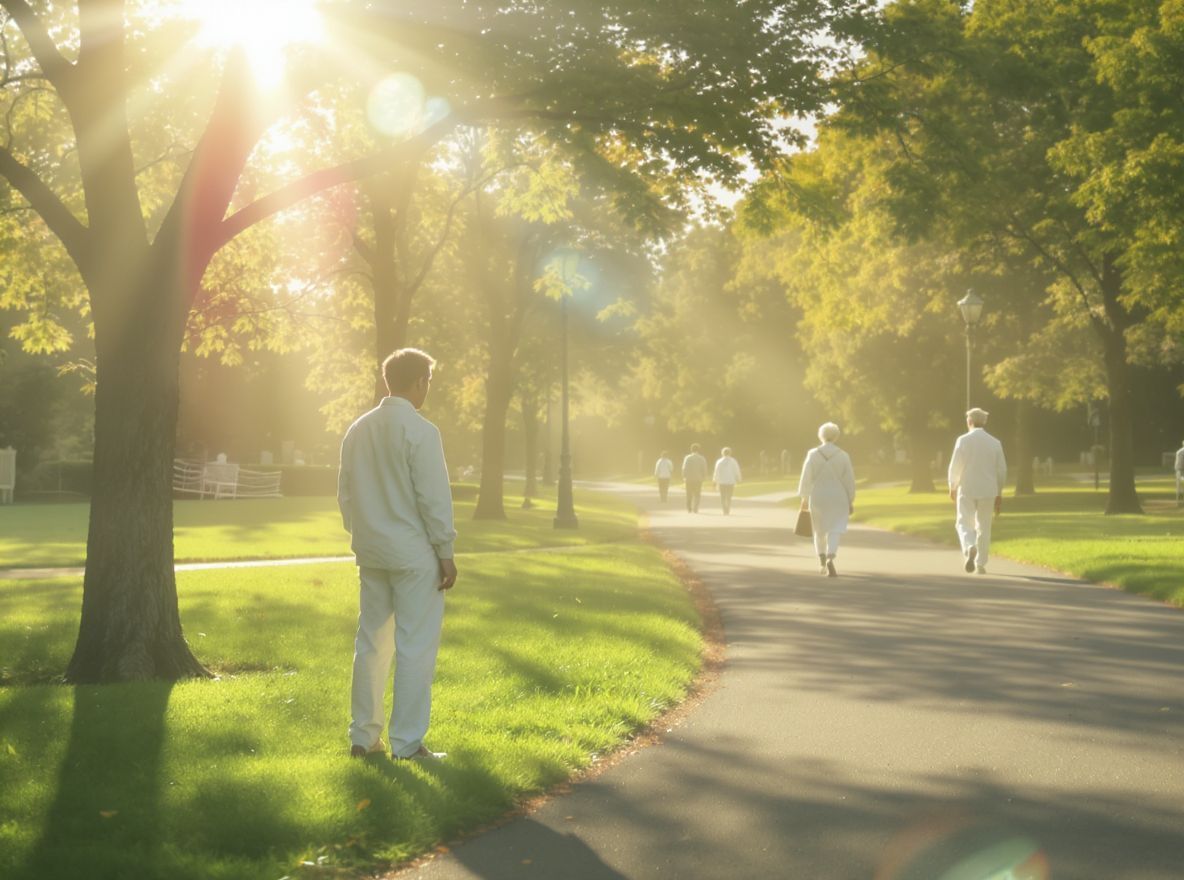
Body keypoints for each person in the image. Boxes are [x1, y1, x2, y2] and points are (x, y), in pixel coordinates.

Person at [338, 348, 458, 761]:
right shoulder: (421, 431)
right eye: (428, 382)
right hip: (412, 553)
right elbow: (433, 498)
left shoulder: (358, 429)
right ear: (420, 381)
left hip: (372, 551)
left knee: (371, 644)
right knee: (414, 647)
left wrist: (362, 533)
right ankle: (407, 744)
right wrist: (445, 551)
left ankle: (363, 737)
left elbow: (345, 493)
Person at [947, 407, 1007, 575]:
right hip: (988, 489)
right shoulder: (995, 443)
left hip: (967, 488)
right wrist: (999, 492)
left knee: (963, 522)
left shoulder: (963, 440)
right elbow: (1001, 470)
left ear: (970, 421)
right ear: (984, 422)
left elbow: (955, 466)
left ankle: (969, 546)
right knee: (984, 527)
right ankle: (980, 564)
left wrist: (952, 486)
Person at [797, 423, 857, 577]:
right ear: (836, 436)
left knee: (819, 530)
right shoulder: (843, 455)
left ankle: (822, 560)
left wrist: (804, 497)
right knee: (835, 528)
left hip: (818, 495)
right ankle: (831, 556)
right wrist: (850, 499)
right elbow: (849, 480)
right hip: (838, 496)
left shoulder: (812, 454)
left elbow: (806, 477)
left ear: (821, 435)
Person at [713, 447, 742, 515]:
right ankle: (727, 509)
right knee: (729, 497)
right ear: (730, 453)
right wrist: (738, 478)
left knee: (722, 497)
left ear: (722, 453)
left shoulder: (719, 462)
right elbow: (737, 471)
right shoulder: (733, 461)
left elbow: (716, 472)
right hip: (730, 482)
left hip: (722, 482)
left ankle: (724, 510)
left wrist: (715, 480)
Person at [681, 443, 709, 513]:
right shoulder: (702, 458)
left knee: (689, 494)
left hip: (689, 478)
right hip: (698, 479)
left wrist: (684, 476)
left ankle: (689, 508)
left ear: (691, 449)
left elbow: (684, 468)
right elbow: (704, 468)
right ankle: (695, 508)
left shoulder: (687, 458)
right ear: (698, 450)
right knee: (697, 494)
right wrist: (704, 476)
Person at [1175, 440, 1184, 506]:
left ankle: (1178, 502)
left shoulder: (1179, 451)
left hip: (1179, 470)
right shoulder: (1180, 452)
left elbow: (1177, 463)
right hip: (1181, 470)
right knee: (1179, 487)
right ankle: (1179, 502)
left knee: (1179, 487)